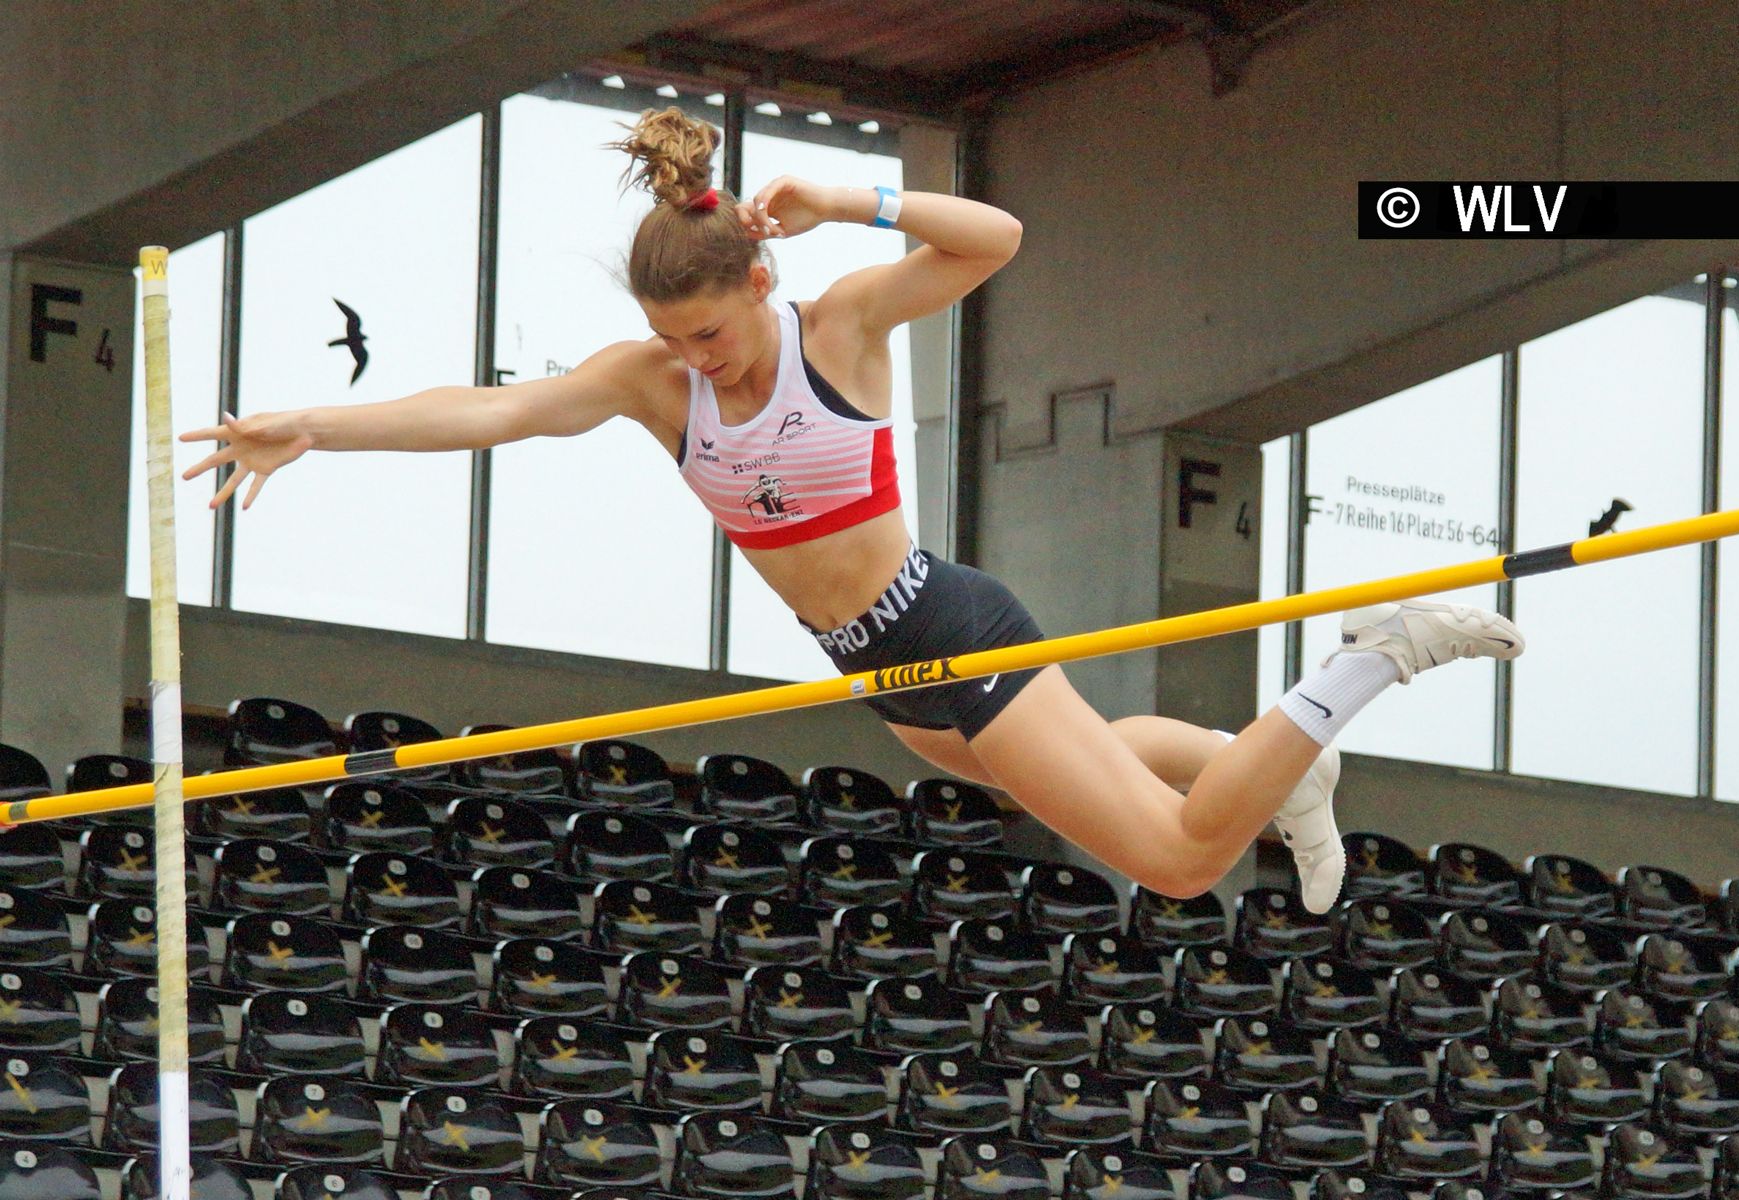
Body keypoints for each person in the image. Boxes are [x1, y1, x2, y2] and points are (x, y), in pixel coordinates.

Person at [180, 107, 1523, 913]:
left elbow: (994, 239)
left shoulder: (842, 329)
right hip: (882, 670)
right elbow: (489, 411)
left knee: (1175, 861)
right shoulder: (653, 383)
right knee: (1073, 760)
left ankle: (1371, 659)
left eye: (712, 332)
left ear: (760, 283)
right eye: (675, 338)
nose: (699, 361)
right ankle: (1290, 766)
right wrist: (315, 425)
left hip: (947, 625)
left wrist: (848, 197)